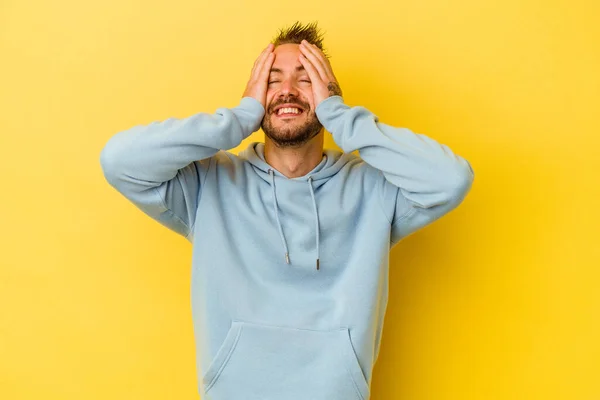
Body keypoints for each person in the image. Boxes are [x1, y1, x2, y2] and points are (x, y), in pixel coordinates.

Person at [100, 21, 474, 400]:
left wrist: (343, 118)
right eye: (272, 79)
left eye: (306, 78)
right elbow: (119, 161)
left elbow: (451, 179)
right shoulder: (208, 185)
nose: (287, 92)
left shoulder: (374, 190)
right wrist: (235, 121)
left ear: (329, 95)